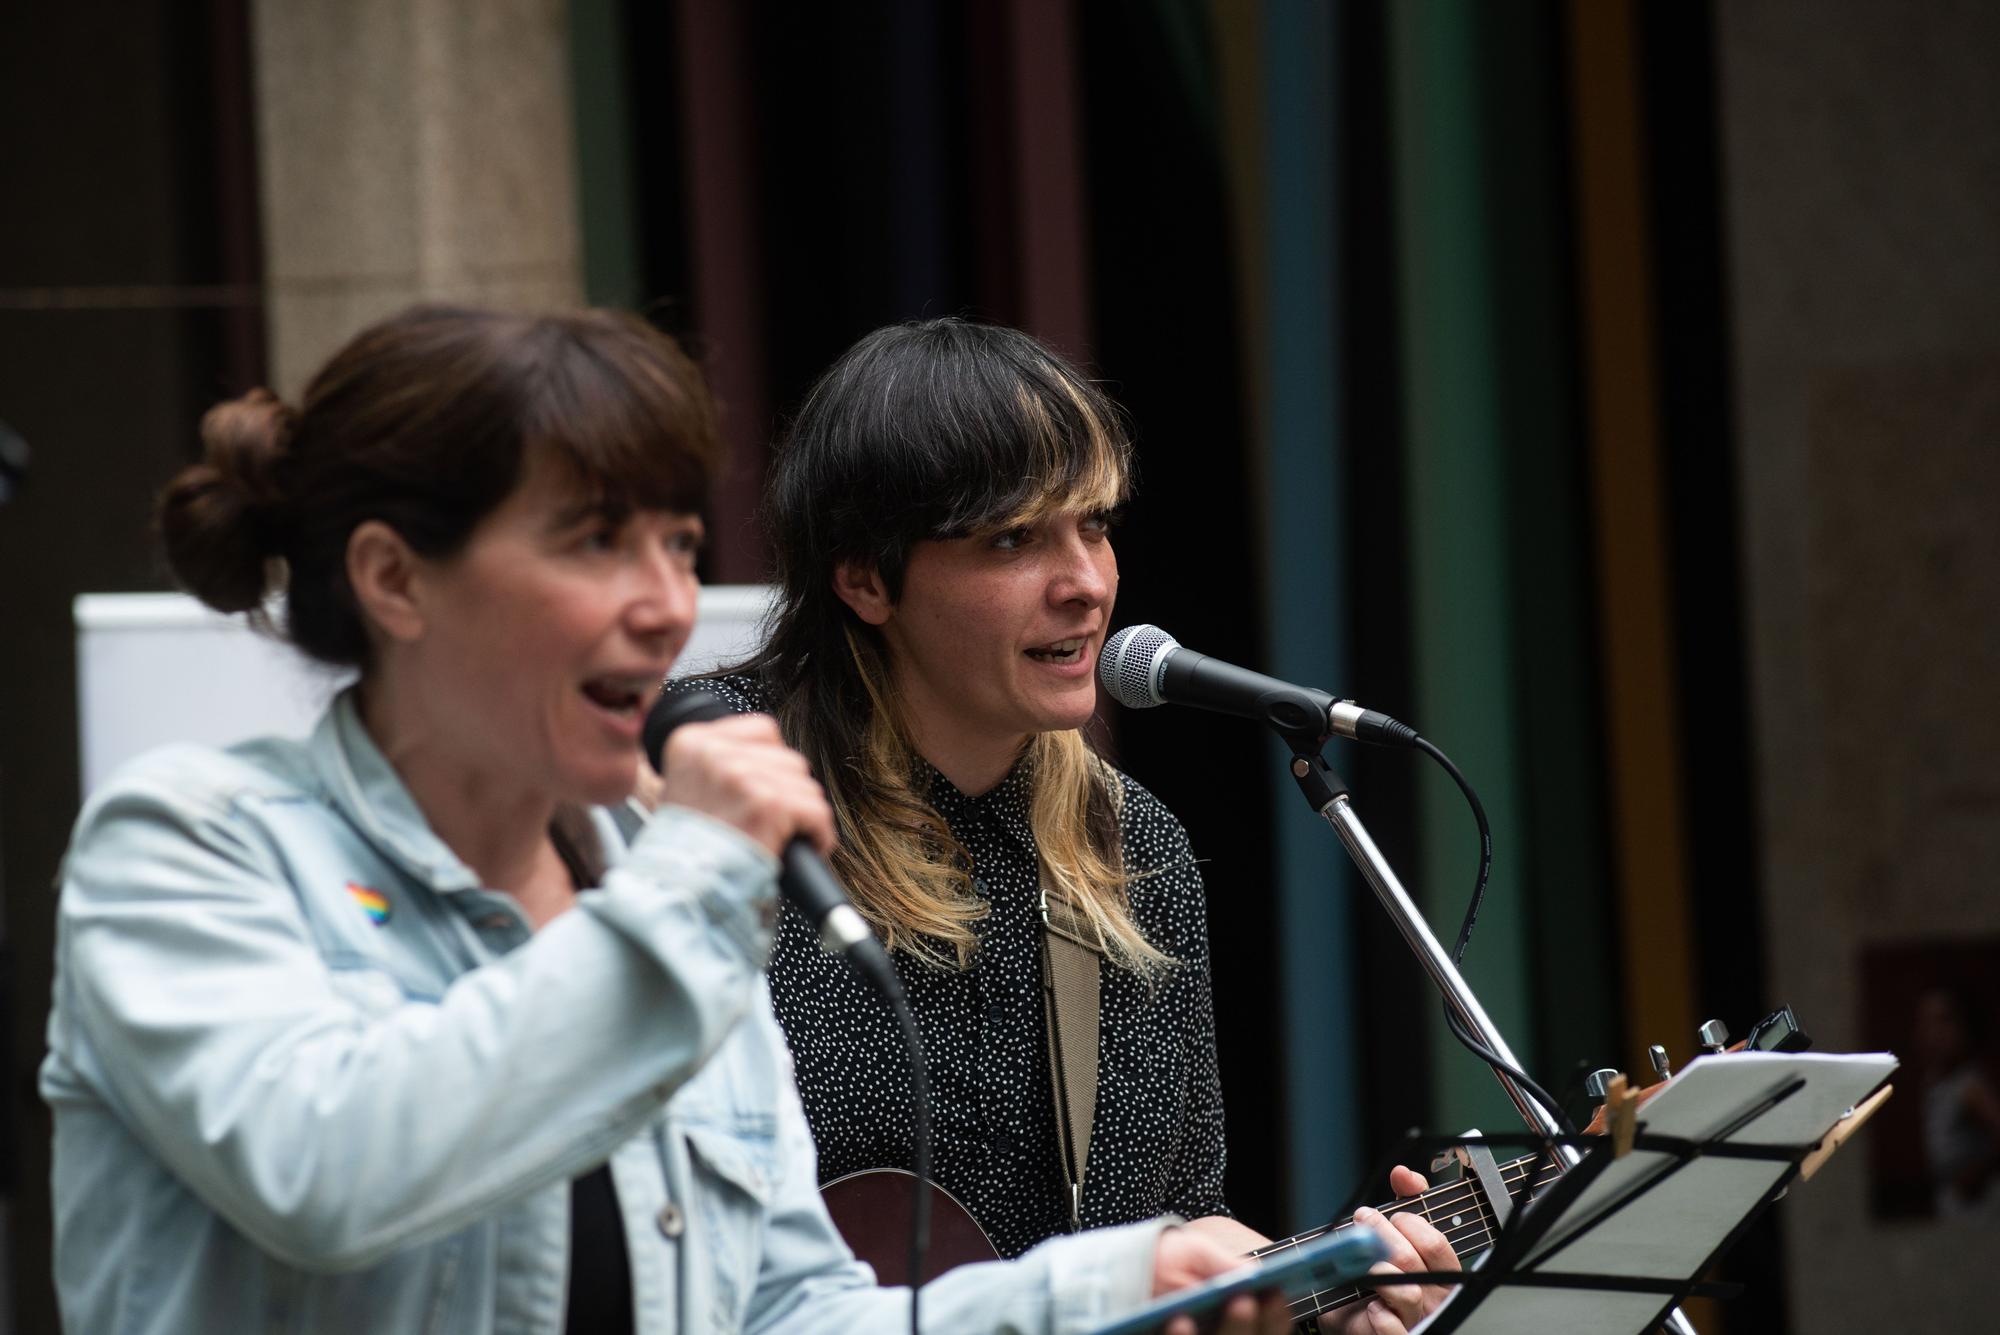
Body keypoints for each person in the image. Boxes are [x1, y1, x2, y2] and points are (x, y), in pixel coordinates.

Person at [40, 304, 1303, 1334]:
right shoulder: (191, 845)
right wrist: (694, 881)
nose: (663, 604)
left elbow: (790, 1311)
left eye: (679, 543)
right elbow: (327, 1170)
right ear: (393, 578)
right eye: (595, 543)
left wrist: (1113, 1284)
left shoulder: (653, 882)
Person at [675, 318, 1454, 1333]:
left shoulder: (1132, 849)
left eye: (1092, 525)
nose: (1084, 581)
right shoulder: (718, 792)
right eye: (1013, 539)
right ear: (865, 578)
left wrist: (1326, 1307)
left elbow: (1181, 1222)